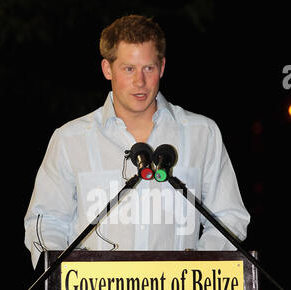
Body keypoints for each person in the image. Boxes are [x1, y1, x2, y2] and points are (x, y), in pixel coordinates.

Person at [24, 15, 250, 268]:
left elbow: (229, 218)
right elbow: (46, 222)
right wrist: (63, 279)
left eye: (148, 68)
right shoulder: (69, 140)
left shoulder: (203, 134)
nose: (139, 81)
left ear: (162, 67)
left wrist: (196, 270)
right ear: (107, 69)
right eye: (129, 69)